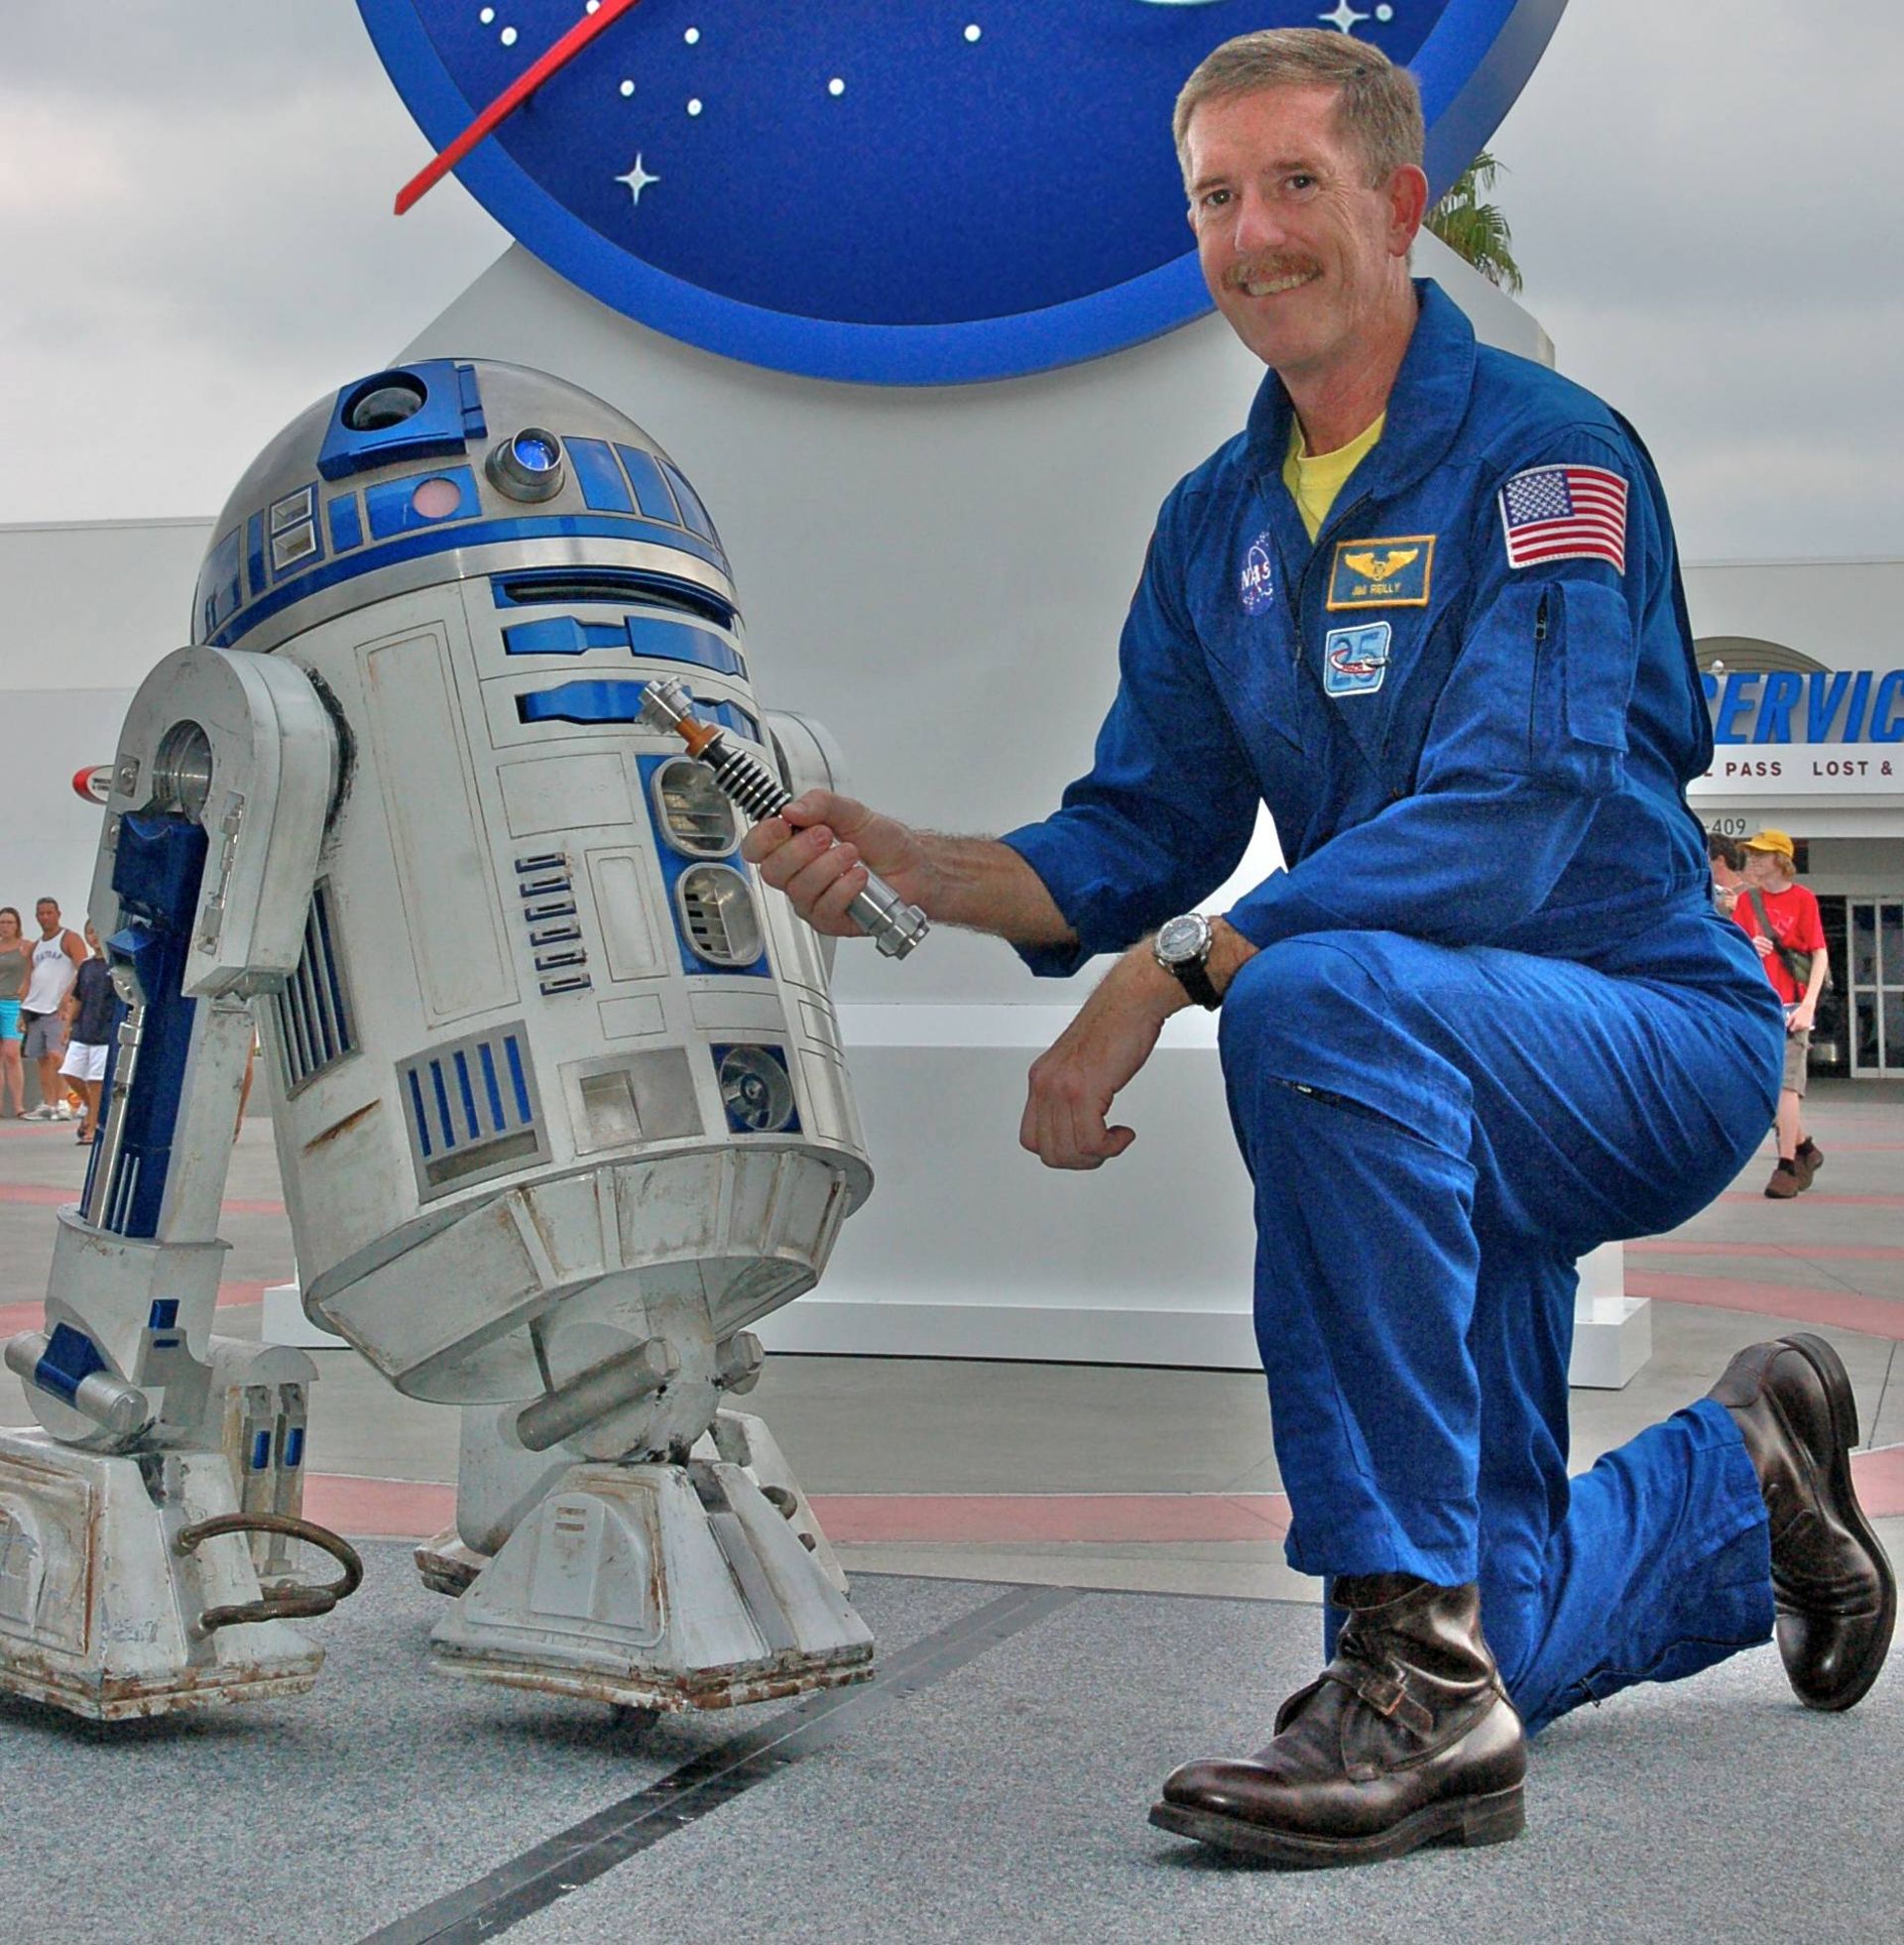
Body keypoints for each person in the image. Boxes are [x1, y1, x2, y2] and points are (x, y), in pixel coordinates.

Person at [745, 30, 1894, 1868]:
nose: (1251, 233)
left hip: (1640, 1028)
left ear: (1400, 206)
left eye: (1295, 185)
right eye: (1215, 196)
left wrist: (1178, 972)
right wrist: (921, 863)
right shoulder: (1217, 527)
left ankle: (1401, 1692)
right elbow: (1136, 831)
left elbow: (1520, 809)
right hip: (1437, 1061)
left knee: (1309, 994)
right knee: (1499, 1613)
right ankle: (1743, 1479)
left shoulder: (1545, 458)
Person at [1732, 829, 1828, 1198]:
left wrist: (1808, 1005)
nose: (1753, 860)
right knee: (1762, 1087)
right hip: (1757, 1004)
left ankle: (1786, 1165)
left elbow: (1819, 953)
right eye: (1752, 854)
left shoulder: (1803, 900)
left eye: (1762, 854)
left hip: (1791, 1006)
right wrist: (1748, 948)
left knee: (1786, 1086)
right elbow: (1734, 952)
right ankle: (1805, 1147)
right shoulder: (1746, 902)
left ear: (1782, 860)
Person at [20, 897, 85, 1122]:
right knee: (42, 1058)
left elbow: (81, 968)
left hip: (57, 1009)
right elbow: (28, 977)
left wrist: (68, 996)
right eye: (41, 914)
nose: (45, 917)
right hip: (35, 1006)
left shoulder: (69, 939)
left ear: (58, 914)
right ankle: (48, 1102)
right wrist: (22, 1010)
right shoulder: (36, 946)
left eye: (49, 913)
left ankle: (64, 1100)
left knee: (58, 1054)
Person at [58, 924, 116, 1146]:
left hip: (105, 1033)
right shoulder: (86, 966)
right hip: (84, 1030)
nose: (94, 937)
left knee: (96, 1082)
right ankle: (93, 1108)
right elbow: (78, 998)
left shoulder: (115, 966)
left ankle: (92, 1127)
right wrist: (68, 1025)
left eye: (97, 931)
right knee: (69, 1073)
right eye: (90, 932)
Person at [0, 907, 33, 1119]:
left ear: (17, 924)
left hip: (14, 1004)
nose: (5, 926)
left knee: (12, 1053)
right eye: (2, 922)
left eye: (9, 922)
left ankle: (19, 1105)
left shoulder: (26, 947)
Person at [1706, 829, 1744, 915]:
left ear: (1720, 861)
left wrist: (1741, 907)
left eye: (1704, 861)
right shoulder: (1705, 897)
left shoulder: (1754, 893)